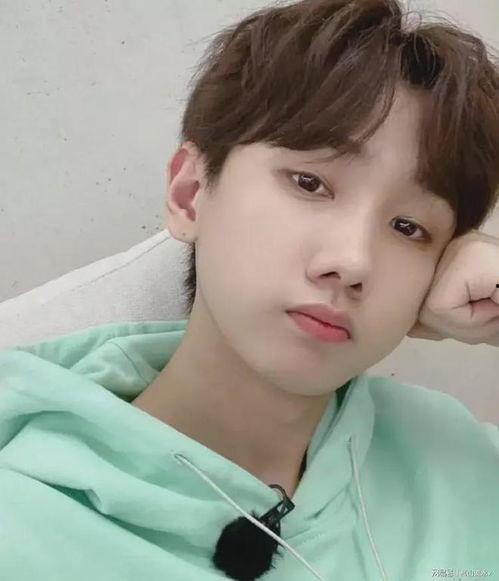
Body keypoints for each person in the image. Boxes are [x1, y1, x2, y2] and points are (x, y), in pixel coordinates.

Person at [1, 0, 498, 580]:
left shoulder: (461, 462)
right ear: (190, 194)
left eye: (409, 228)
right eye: (310, 183)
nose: (352, 262)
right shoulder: (24, 530)